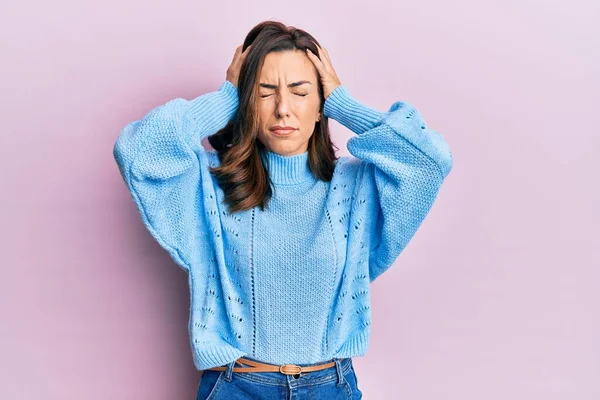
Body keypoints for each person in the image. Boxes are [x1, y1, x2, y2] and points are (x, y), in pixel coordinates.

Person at [113, 20, 453, 400]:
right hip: (235, 387)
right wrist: (227, 98)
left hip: (331, 387)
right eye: (264, 92)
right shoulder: (208, 185)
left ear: (320, 103)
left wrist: (344, 104)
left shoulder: (357, 189)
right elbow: (138, 152)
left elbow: (430, 161)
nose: (283, 110)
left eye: (300, 91)